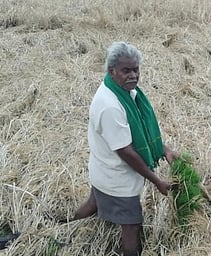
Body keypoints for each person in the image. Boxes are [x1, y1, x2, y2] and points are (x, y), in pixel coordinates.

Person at [70, 41, 177, 256]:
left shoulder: (124, 92)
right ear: (112, 71)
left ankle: (65, 225)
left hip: (103, 169)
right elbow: (126, 151)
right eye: (126, 70)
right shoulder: (110, 105)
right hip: (116, 177)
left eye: (136, 69)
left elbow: (139, 131)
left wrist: (163, 149)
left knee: (95, 201)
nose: (133, 75)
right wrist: (157, 181)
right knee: (131, 223)